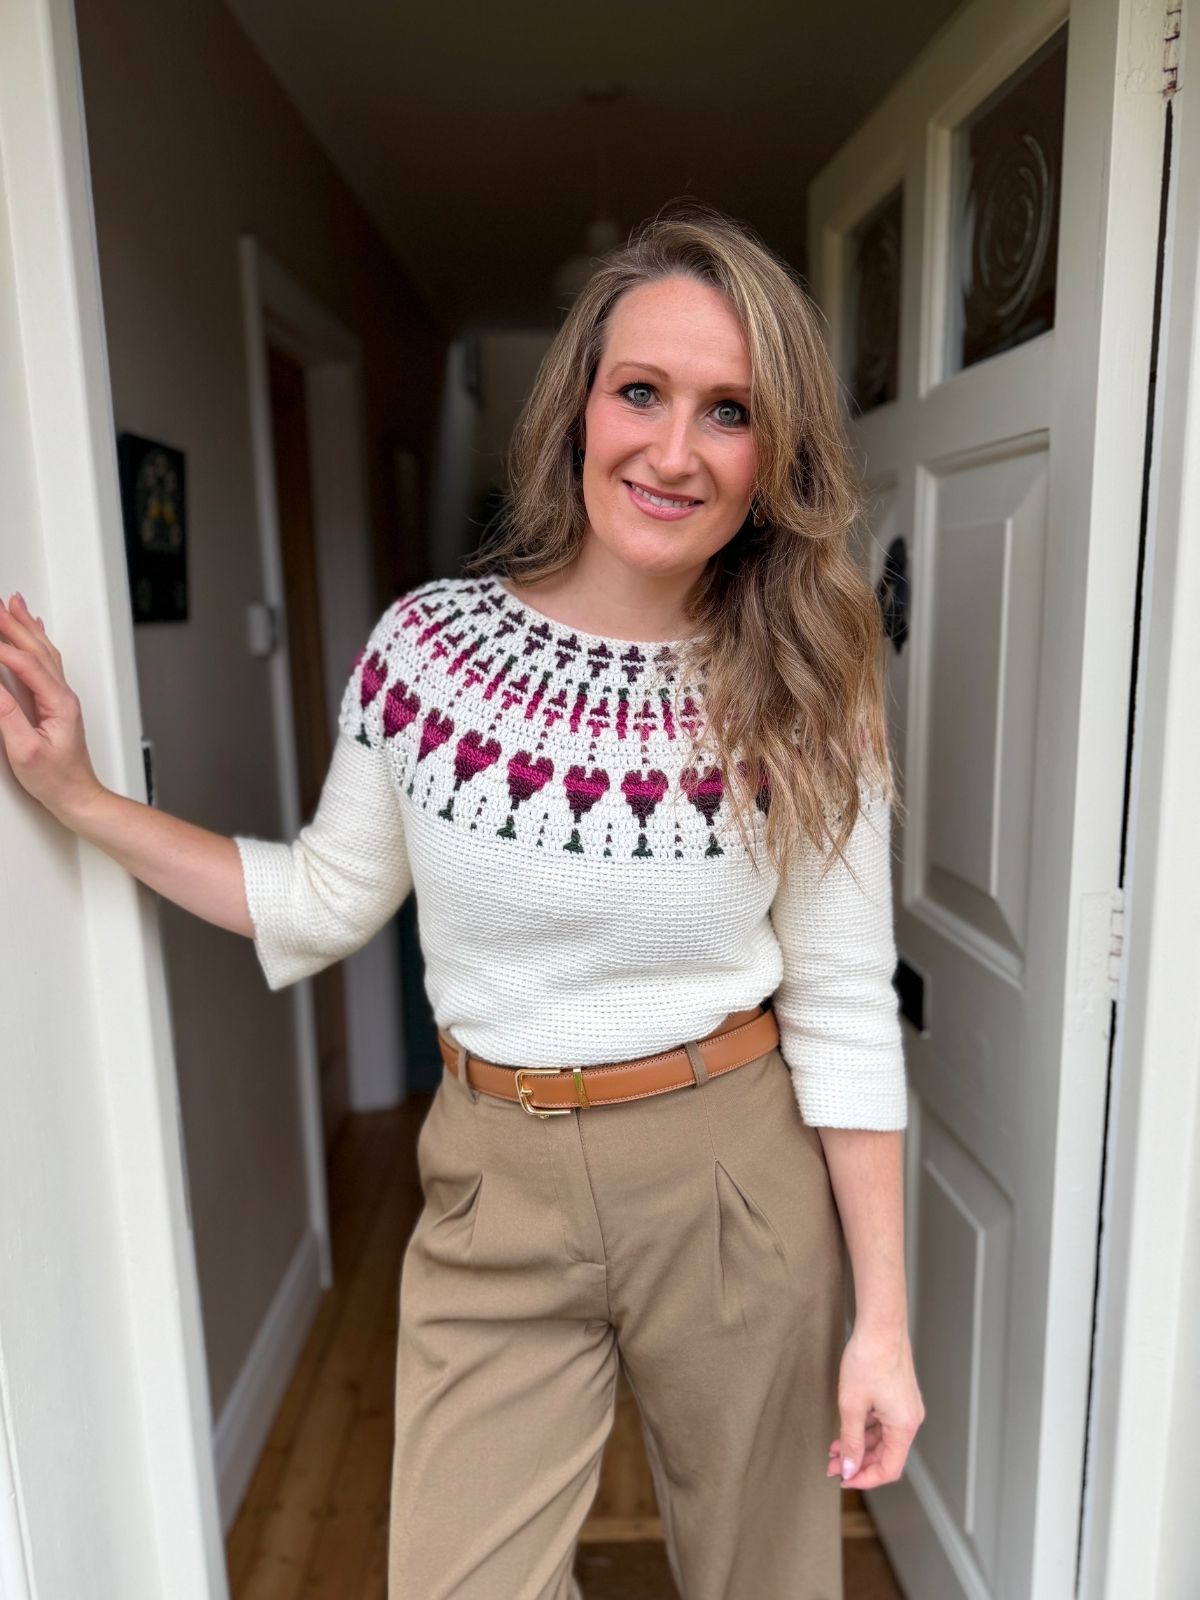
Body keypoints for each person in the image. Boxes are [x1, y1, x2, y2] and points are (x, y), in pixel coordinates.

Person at [0, 202, 924, 1599]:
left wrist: (884, 1326)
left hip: (733, 1174)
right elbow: (321, 897)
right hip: (494, 1174)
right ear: (578, 409)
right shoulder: (427, 651)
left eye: (729, 411)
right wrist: (82, 800)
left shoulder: (807, 679)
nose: (674, 450)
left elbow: (845, 1004)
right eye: (641, 391)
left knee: (766, 1579)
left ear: (773, 452)